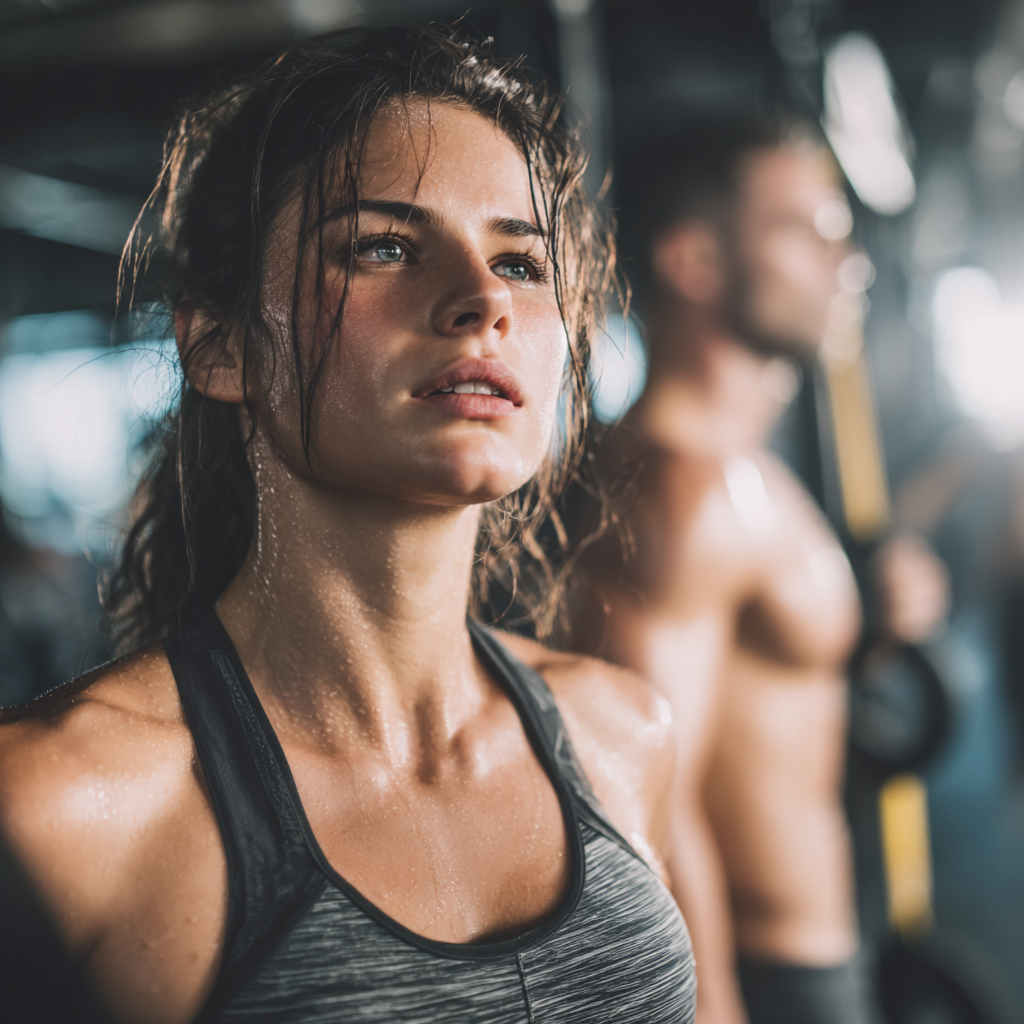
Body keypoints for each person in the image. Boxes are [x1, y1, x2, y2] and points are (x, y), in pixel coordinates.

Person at [0, 28, 696, 1024]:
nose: (482, 300)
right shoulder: (58, 809)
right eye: (383, 246)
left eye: (521, 259)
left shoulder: (625, 734)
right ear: (222, 346)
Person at [567, 118, 946, 1024]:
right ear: (695, 259)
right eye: (803, 230)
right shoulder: (679, 491)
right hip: (755, 980)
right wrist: (711, 1007)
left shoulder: (752, 476)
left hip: (820, 956)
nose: (844, 259)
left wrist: (866, 625)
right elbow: (646, 799)